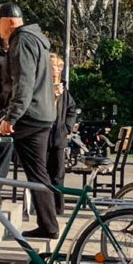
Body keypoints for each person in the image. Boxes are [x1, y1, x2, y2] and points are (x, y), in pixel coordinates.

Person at [0, 2, 57, 239]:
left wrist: (11, 118)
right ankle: (49, 226)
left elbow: (23, 84)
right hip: (42, 115)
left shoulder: (21, 41)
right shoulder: (35, 40)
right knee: (37, 172)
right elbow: (13, 87)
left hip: (28, 116)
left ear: (10, 22)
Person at [47, 52, 80, 214]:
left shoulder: (63, 88)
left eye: (60, 66)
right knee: (43, 173)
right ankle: (44, 207)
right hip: (43, 135)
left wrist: (67, 127)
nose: (58, 69)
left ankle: (58, 207)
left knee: (58, 173)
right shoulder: (41, 86)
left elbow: (72, 109)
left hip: (58, 136)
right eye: (55, 66)